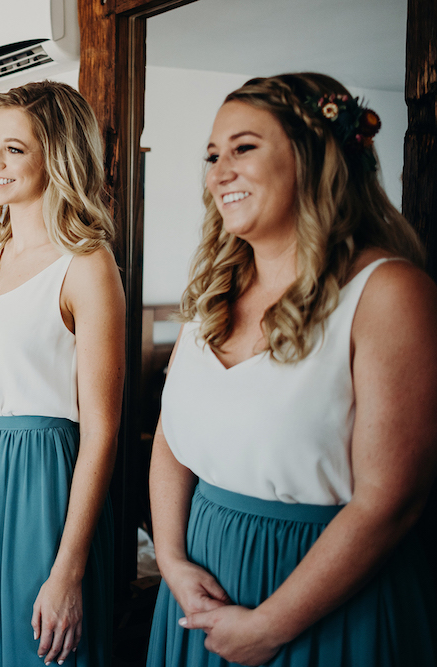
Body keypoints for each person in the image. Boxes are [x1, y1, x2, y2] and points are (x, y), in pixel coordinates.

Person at [147, 72, 437, 666]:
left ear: (315, 157)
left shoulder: (388, 294)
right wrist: (173, 563)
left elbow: (391, 500)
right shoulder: (211, 296)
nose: (219, 170)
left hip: (324, 600)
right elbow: (172, 443)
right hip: (196, 594)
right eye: (211, 155)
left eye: (243, 147)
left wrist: (270, 627)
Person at [0, 80, 125, 666]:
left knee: (33, 645)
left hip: (43, 482)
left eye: (14, 148)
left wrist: (68, 570)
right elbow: (26, 368)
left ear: (57, 156)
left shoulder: (87, 265)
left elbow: (103, 430)